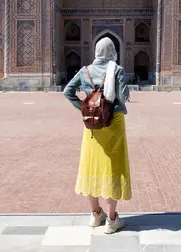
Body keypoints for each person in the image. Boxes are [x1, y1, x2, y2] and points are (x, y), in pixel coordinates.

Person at [63, 38, 131, 234]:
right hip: (113, 123)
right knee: (112, 168)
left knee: (91, 166)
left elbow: (68, 91)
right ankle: (111, 220)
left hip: (92, 125)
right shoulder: (115, 69)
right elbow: (123, 96)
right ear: (112, 52)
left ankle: (95, 215)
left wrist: (83, 108)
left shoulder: (85, 71)